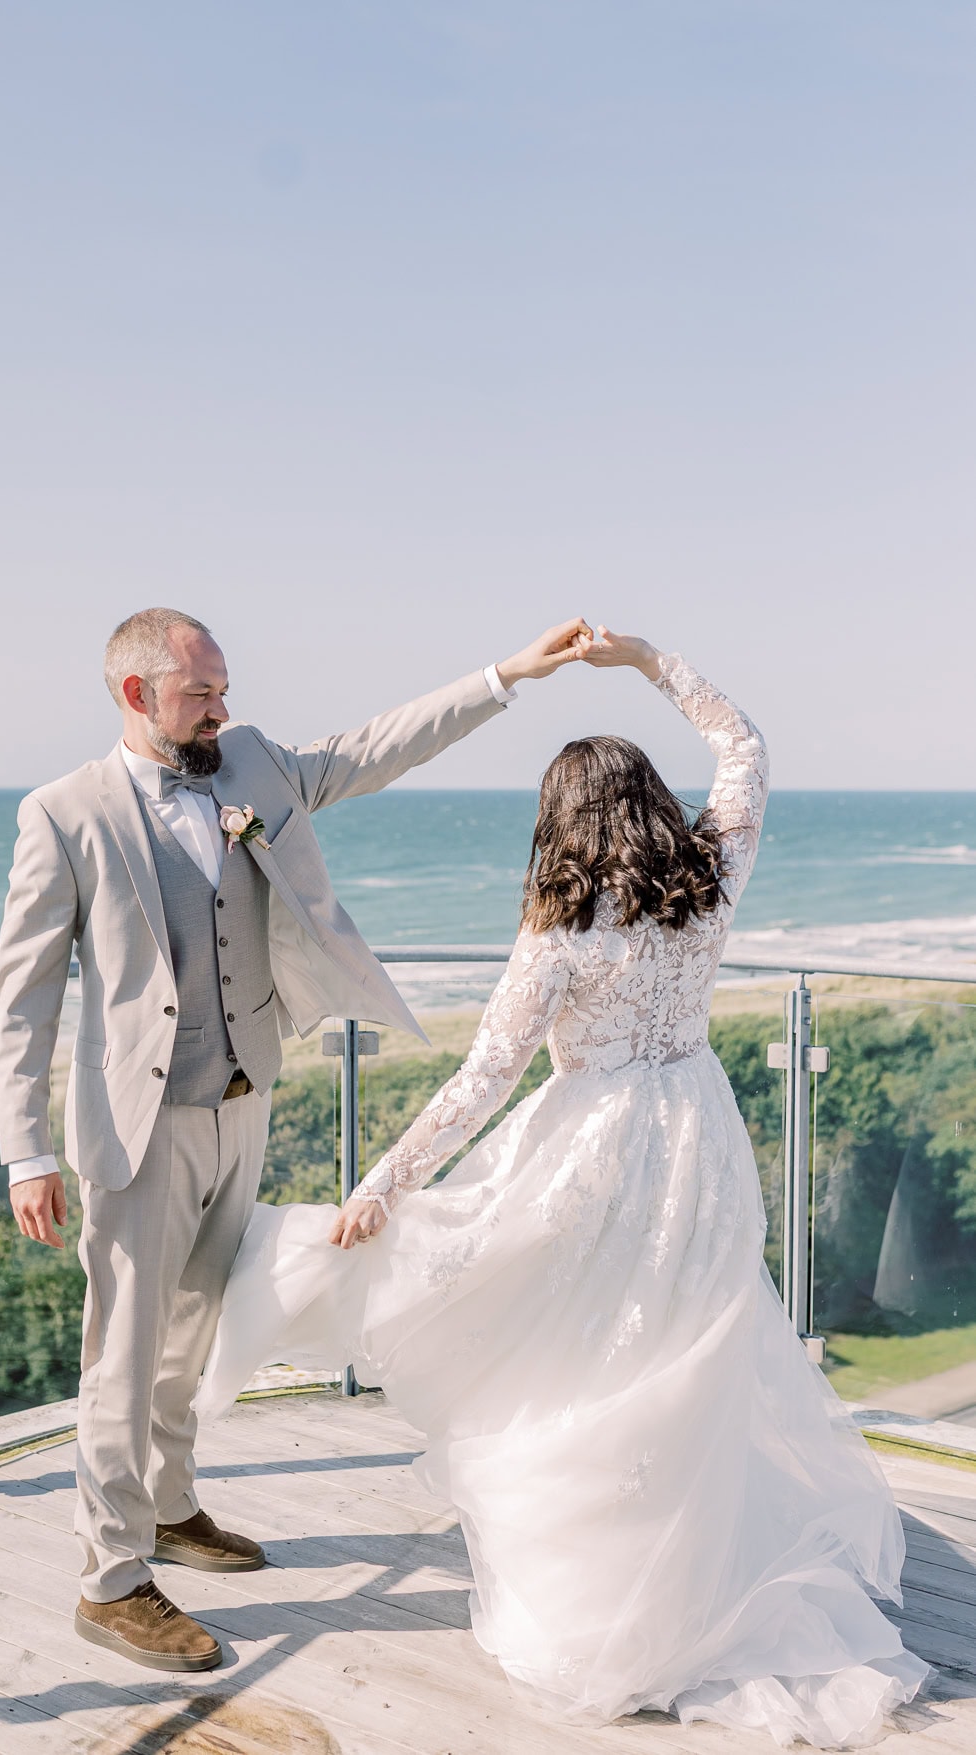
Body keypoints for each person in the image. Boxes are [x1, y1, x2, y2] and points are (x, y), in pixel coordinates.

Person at [196, 627, 928, 1746]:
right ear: (647, 805)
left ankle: (619, 1620)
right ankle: (692, 1588)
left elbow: (484, 1079)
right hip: (698, 1139)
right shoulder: (711, 881)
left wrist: (383, 1183)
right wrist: (649, 662)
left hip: (593, 1156)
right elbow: (747, 747)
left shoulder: (558, 937)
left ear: (560, 825)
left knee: (590, 1371)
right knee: (687, 1361)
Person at [0, 605, 593, 1672]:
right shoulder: (63, 814)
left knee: (192, 1332)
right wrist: (27, 1149)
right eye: (201, 694)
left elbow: (373, 749)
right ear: (136, 695)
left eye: (224, 688)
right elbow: (24, 995)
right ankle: (112, 1578)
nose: (224, 708)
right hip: (136, 1129)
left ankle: (171, 1508)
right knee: (121, 1358)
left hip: (241, 1101)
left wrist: (508, 675)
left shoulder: (254, 767)